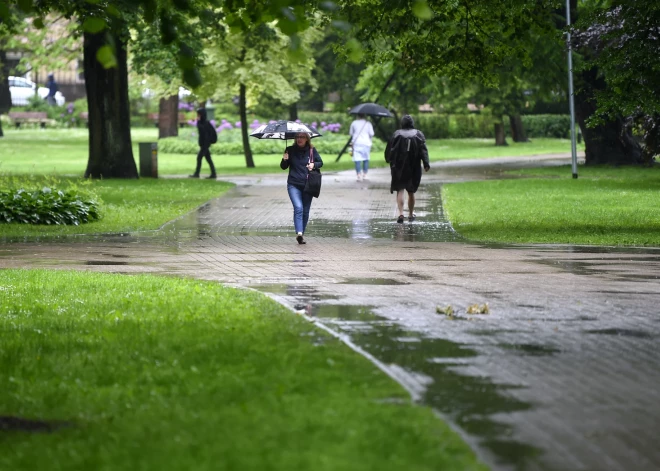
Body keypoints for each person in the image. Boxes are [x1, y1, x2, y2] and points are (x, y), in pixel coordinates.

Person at [384, 114, 430, 223]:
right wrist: (426, 163)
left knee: (400, 190)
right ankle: (410, 214)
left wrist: (388, 159)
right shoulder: (418, 134)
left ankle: (400, 214)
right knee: (411, 191)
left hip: (398, 167)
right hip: (413, 167)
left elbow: (389, 149)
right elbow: (423, 150)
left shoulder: (396, 134)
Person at [281, 132, 323, 244]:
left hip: (308, 185)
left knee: (305, 210)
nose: (299, 139)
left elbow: (320, 162)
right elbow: (283, 167)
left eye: (302, 137)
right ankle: (299, 233)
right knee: (298, 207)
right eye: (297, 137)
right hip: (293, 184)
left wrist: (314, 165)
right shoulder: (289, 150)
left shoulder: (311, 150)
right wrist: (285, 159)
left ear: (307, 139)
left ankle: (301, 235)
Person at [189, 108, 217, 179]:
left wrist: (198, 122)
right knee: (208, 159)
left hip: (205, 144)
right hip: (203, 144)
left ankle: (197, 173)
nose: (197, 116)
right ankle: (213, 173)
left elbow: (203, 131)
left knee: (199, 158)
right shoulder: (201, 122)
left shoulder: (206, 123)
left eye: (198, 114)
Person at [349, 113, 374, 181]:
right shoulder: (368, 123)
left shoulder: (354, 123)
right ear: (364, 116)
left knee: (357, 159)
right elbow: (372, 133)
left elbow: (351, 133)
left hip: (357, 143)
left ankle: (358, 175)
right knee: (366, 159)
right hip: (366, 143)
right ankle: (365, 175)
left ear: (357, 116)